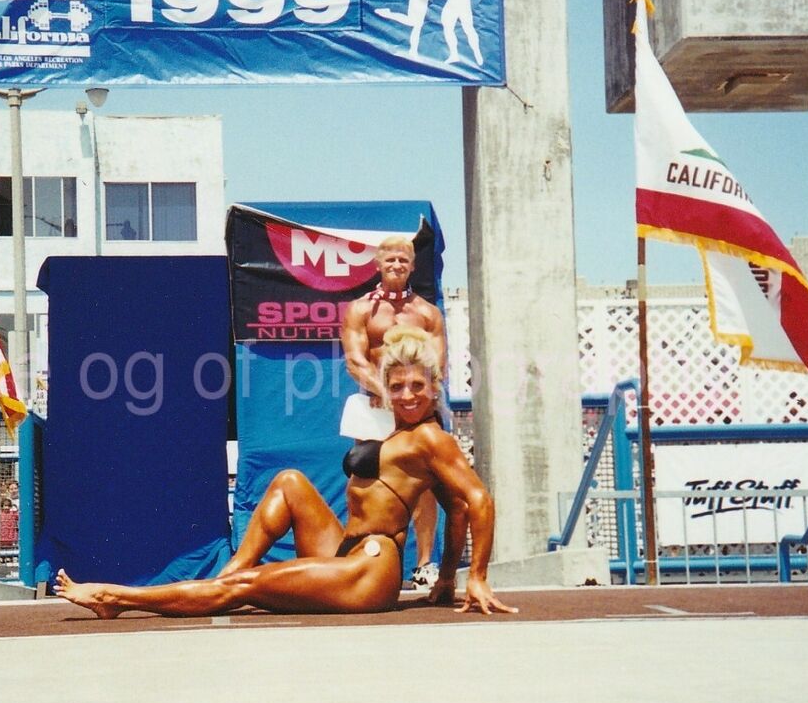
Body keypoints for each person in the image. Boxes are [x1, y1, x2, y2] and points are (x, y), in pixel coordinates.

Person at [55, 326, 515, 618]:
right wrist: (445, 580)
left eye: (418, 386)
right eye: (398, 386)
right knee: (290, 481)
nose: (408, 395)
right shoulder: (389, 426)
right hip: (347, 549)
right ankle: (230, 570)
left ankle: (115, 597)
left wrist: (472, 575)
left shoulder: (432, 439)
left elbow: (474, 502)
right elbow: (454, 510)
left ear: (435, 389)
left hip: (373, 567)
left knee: (246, 590)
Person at [339, 236, 453, 591]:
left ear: (413, 266)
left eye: (404, 260)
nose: (397, 265)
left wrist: (411, 400)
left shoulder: (427, 313)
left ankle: (424, 564)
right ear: (378, 264)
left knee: (425, 486)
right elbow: (356, 361)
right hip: (376, 408)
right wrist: (387, 395)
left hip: (417, 410)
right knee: (366, 480)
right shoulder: (360, 310)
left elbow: (437, 365)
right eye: (390, 260)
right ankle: (368, 557)